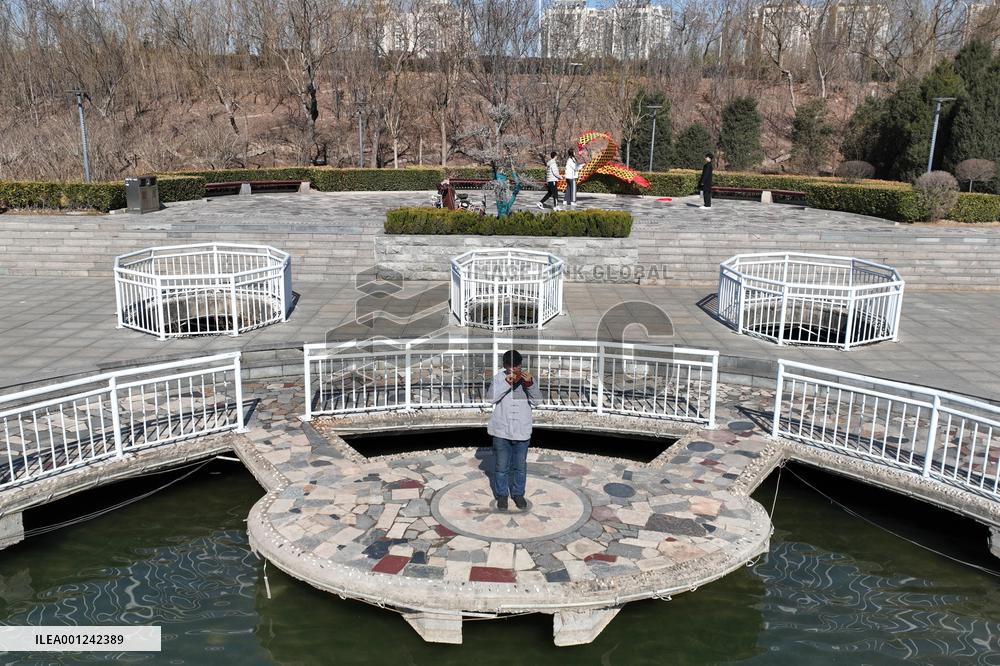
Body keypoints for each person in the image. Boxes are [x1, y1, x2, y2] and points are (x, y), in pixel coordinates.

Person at [486, 350, 542, 510]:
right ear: (505, 366)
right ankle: (502, 495)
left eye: (516, 367)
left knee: (520, 467)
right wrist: (507, 382)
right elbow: (490, 399)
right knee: (501, 467)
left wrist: (530, 385)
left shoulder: (528, 379)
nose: (514, 370)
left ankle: (518, 494)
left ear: (520, 365)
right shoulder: (498, 378)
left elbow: (538, 401)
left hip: (522, 430)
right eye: (511, 367)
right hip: (501, 430)